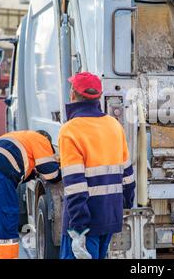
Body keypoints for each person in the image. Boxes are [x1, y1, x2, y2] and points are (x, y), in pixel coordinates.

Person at [59, 72, 135, 259]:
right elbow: (128, 176)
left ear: (72, 94)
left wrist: (78, 228)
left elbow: (75, 185)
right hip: (110, 216)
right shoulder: (114, 126)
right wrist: (122, 206)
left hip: (85, 223)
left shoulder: (70, 130)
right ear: (98, 97)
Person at [0, 130, 60, 259]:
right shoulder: (41, 140)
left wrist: (33, 172)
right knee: (5, 223)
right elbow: (50, 173)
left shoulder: (18, 137)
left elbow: (18, 166)